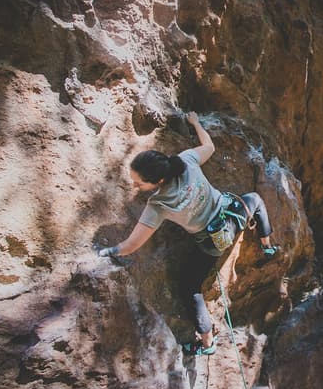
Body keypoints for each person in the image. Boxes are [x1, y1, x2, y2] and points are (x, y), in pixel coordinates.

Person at [97, 111, 279, 356]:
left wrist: (108, 251)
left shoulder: (157, 205)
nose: (135, 186)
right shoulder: (187, 161)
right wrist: (195, 122)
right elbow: (209, 146)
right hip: (232, 216)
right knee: (255, 200)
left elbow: (130, 246)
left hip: (211, 244)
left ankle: (206, 344)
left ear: (158, 180)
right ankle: (267, 246)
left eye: (139, 183)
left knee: (190, 289)